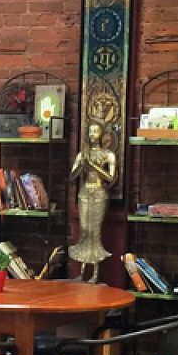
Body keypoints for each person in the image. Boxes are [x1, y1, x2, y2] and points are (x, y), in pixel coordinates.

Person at [68, 121, 117, 283]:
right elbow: (71, 177)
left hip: (99, 193)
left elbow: (110, 178)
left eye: (95, 131)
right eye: (90, 131)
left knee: (95, 232)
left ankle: (95, 273)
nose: (92, 135)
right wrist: (81, 165)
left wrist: (93, 166)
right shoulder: (82, 154)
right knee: (84, 230)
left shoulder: (108, 155)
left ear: (102, 134)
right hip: (84, 193)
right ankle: (82, 272)